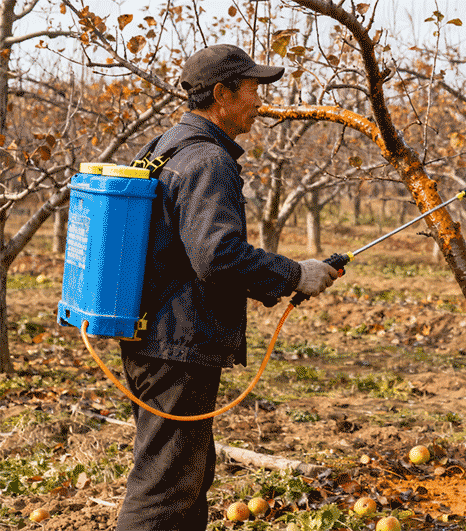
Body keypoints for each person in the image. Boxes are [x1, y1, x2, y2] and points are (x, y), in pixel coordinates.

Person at [115, 44, 339, 531]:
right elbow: (217, 257)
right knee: (164, 487)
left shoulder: (166, 147)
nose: (260, 101)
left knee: (186, 476)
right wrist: (295, 274)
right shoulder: (207, 161)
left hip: (154, 337)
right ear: (222, 93)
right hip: (177, 346)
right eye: (254, 90)